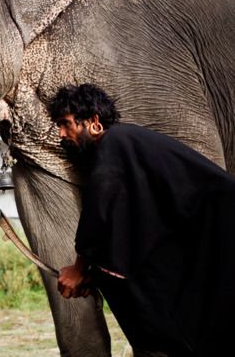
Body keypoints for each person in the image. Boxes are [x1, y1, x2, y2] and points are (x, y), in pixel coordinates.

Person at [48, 84, 235, 356]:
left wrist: (79, 269)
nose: (62, 134)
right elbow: (132, 225)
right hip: (210, 232)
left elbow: (102, 210)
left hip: (221, 228)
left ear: (93, 122)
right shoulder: (128, 146)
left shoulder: (115, 143)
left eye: (66, 124)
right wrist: (95, 270)